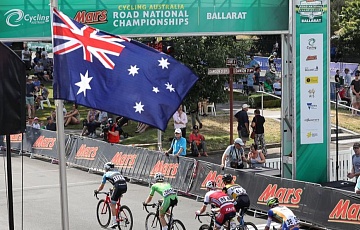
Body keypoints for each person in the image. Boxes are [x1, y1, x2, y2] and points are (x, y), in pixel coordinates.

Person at [94, 162, 127, 229]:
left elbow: (101, 187)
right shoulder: (117, 172)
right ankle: (119, 211)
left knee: (112, 204)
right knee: (116, 198)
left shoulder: (106, 174)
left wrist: (97, 191)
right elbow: (117, 182)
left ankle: (114, 222)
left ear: (106, 168)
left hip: (118, 187)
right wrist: (112, 189)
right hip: (125, 186)